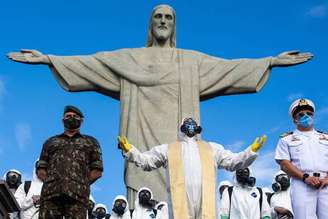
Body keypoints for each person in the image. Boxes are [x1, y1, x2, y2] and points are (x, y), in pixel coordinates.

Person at [8, 4, 313, 206]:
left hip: (184, 145)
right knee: (142, 198)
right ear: (150, 24)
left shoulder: (190, 61)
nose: (163, 21)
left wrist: (270, 61)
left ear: (174, 24)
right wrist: (49, 59)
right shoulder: (130, 59)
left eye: (169, 17)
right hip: (141, 139)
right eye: (158, 16)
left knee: (185, 196)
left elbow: (229, 68)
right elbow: (92, 63)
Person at [118, 117, 267, 219]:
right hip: (181, 202)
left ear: (198, 128)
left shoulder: (211, 148)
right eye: (187, 122)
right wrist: (131, 151)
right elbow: (147, 161)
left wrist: (251, 151)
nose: (190, 124)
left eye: (193, 122)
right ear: (181, 127)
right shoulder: (169, 149)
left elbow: (233, 161)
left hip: (205, 201)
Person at [37, 105, 104, 219]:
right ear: (63, 120)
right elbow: (41, 168)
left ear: (81, 121)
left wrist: (80, 184)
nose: (71, 118)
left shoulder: (91, 142)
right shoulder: (50, 142)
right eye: (68, 116)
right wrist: (51, 182)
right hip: (51, 195)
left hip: (78, 196)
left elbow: (97, 170)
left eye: (75, 116)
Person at [275, 98, 328, 219]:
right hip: (302, 184)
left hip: (325, 183)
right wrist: (305, 178)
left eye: (309, 113)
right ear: (295, 119)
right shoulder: (286, 139)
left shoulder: (325, 137)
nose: (306, 116)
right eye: (301, 114)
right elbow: (284, 164)